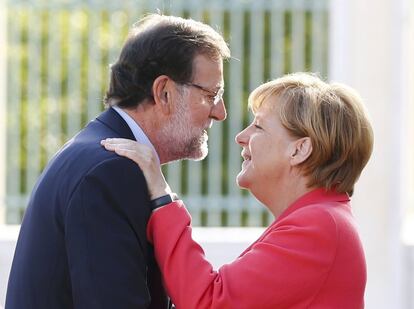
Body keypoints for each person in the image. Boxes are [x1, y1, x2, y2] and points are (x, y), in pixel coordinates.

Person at [6, 14, 230, 309]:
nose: (220, 112)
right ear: (164, 93)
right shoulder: (110, 170)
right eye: (212, 94)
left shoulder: (102, 156)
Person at [102, 72, 374, 309]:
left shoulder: (319, 227)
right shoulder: (321, 220)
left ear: (299, 149)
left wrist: (162, 197)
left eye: (259, 126)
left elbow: (208, 302)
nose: (240, 136)